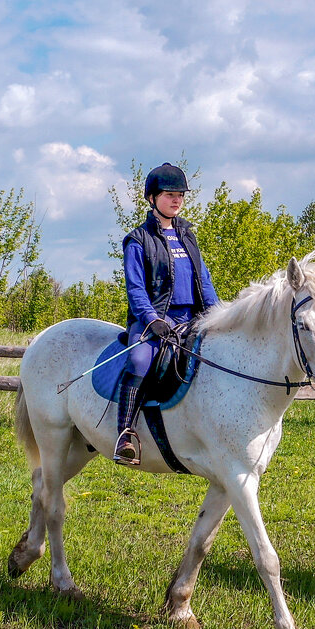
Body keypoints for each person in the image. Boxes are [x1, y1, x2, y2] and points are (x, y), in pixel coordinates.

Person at [114, 162, 221, 465]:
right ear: (152, 198)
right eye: (169, 194)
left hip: (192, 319)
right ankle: (125, 432)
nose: (176, 200)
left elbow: (204, 281)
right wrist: (152, 320)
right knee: (139, 359)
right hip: (155, 321)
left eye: (180, 195)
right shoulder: (137, 240)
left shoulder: (188, 235)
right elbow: (136, 290)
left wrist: (218, 316)